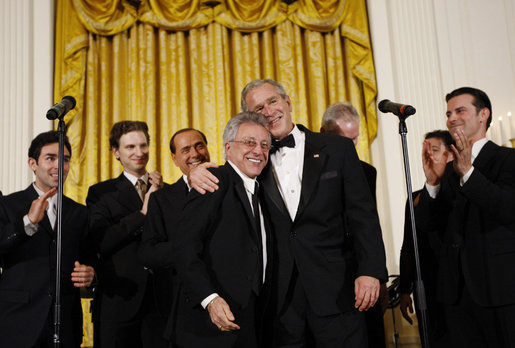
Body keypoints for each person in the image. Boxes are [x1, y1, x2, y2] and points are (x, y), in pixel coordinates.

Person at [190, 79, 387, 346]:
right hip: (279, 301)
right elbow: (224, 175)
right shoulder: (251, 159)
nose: (269, 111)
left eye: (272, 101)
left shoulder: (337, 149)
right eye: (259, 108)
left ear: (288, 102)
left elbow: (364, 217)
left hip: (337, 291)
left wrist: (371, 270)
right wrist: (194, 171)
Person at [417, 87, 515, 347]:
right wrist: (433, 184)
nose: (451, 118)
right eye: (448, 113)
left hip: (498, 289)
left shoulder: (507, 159)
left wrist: (469, 174)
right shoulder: (447, 171)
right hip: (455, 293)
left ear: (483, 114)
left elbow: (507, 208)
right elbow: (429, 227)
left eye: (460, 110)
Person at [172, 112, 272, 348]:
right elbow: (184, 247)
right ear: (228, 148)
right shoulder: (213, 180)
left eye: (264, 144)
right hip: (210, 326)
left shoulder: (265, 188)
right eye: (249, 142)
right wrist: (210, 299)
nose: (258, 150)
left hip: (251, 322)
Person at [0, 130, 95, 347]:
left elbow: (90, 257)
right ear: (33, 163)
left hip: (66, 324)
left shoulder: (80, 212)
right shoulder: (8, 205)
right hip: (18, 321)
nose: (59, 166)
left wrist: (92, 274)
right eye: (50, 158)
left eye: (65, 159)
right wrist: (28, 222)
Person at [86, 121, 167, 348]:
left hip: (161, 303)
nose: (139, 153)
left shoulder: (166, 191)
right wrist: (142, 214)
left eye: (143, 145)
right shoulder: (101, 193)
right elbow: (101, 241)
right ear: (116, 153)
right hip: (119, 300)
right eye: (130, 147)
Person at [321, 101, 388, 348]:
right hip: (325, 275)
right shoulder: (305, 169)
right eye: (344, 140)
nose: (352, 147)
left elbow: (369, 224)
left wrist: (377, 274)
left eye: (355, 139)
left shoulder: (366, 172)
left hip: (362, 272)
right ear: (323, 132)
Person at [138, 128, 210, 346]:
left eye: (199, 146)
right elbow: (149, 253)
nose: (195, 154)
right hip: (180, 310)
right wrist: (192, 248)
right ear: (174, 158)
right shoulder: (162, 199)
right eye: (185, 149)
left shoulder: (230, 186)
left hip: (231, 300)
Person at [399, 130, 454, 347]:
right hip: (428, 285)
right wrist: (405, 289)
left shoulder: (462, 190)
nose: (429, 155)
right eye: (426, 151)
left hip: (460, 285)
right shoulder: (415, 198)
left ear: (450, 155)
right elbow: (408, 246)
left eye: (435, 150)